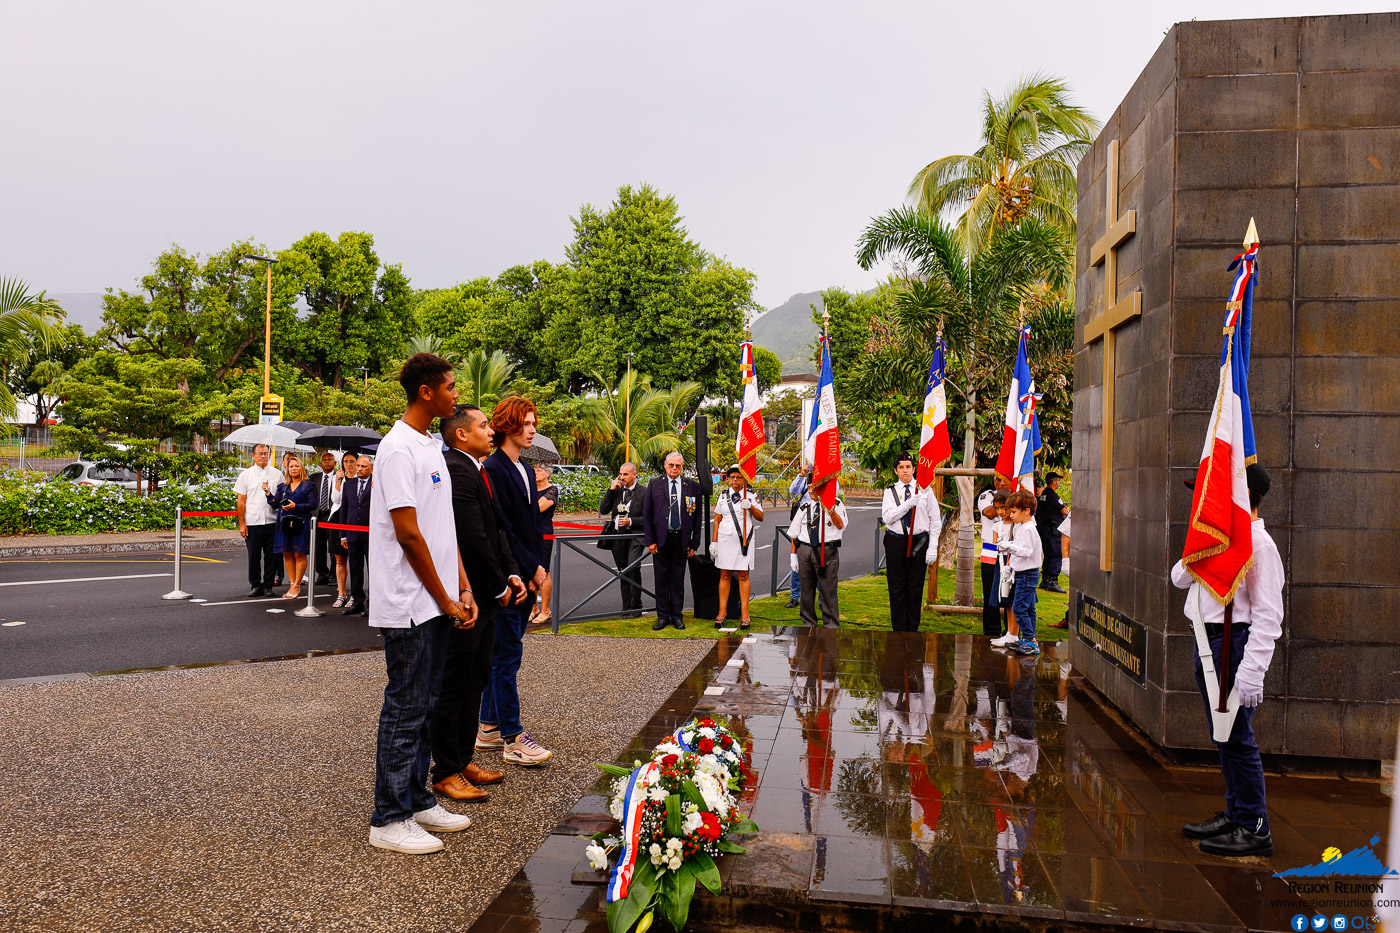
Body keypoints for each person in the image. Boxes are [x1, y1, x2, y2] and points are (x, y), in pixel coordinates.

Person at [367, 353, 477, 855]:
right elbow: (409, 535)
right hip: (408, 603)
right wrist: (444, 598)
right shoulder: (397, 450)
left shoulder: (429, 445)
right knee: (406, 707)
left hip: (435, 602)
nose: (457, 394)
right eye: (451, 386)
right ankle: (388, 818)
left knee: (427, 705)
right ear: (427, 392)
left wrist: (462, 590)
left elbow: (442, 530)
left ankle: (415, 800)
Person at [1174, 464, 1284, 858]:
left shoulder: (1259, 543)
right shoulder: (1218, 538)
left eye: (1210, 491)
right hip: (1207, 640)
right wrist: (1203, 547)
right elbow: (1178, 578)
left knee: (1237, 738)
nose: (1201, 500)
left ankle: (1255, 825)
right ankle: (1237, 813)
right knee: (1223, 736)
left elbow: (1268, 615)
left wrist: (1252, 671)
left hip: (1233, 644)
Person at [431, 404, 528, 805]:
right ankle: (445, 771)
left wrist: (511, 573)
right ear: (461, 435)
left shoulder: (477, 468)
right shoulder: (455, 468)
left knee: (475, 681)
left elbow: (498, 529)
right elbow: (471, 538)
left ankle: (462, 760)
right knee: (455, 684)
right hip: (467, 595)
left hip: (488, 593)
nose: (491, 432)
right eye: (484, 426)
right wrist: (495, 586)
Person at [479, 397, 554, 767]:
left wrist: (538, 566)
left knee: (504, 653)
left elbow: (532, 525)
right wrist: (529, 569)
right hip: (508, 576)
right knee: (506, 656)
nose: (532, 429)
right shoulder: (492, 468)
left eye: (533, 422)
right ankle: (512, 737)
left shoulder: (524, 469)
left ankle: (488, 725)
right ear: (507, 426)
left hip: (528, 570)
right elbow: (502, 529)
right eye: (526, 423)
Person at [640, 451, 703, 631]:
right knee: (661, 580)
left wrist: (694, 543)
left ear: (682, 467)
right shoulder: (654, 484)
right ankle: (662, 617)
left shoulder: (692, 486)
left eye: (678, 465)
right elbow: (647, 514)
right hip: (661, 540)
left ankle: (677, 616)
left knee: (678, 580)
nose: (674, 468)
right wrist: (650, 541)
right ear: (665, 465)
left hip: (681, 539)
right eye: (671, 465)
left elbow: (697, 517)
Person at [881, 452, 942, 633]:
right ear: (896, 470)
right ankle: (899, 630)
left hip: (919, 542)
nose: (905, 470)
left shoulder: (925, 490)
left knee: (915, 587)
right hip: (896, 542)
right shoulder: (890, 492)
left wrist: (933, 546)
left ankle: (912, 629)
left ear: (914, 469)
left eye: (908, 467)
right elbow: (888, 518)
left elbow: (935, 520)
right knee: (897, 587)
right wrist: (907, 505)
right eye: (901, 467)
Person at [789, 481, 848, 628]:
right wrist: (793, 556)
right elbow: (794, 533)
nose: (810, 491)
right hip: (805, 550)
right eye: (808, 488)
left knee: (828, 590)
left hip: (827, 551)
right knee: (806, 590)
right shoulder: (805, 506)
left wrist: (828, 508)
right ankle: (808, 623)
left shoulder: (836, 503)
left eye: (813, 488)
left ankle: (830, 625)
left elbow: (840, 525)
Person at [712, 465, 764, 630]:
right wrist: (714, 542)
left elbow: (761, 517)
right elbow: (718, 520)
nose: (735, 480)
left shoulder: (751, 496)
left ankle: (745, 613)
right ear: (728, 479)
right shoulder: (723, 496)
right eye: (732, 477)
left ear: (744, 479)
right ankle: (722, 612)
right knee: (725, 575)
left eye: (738, 477)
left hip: (743, 540)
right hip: (725, 540)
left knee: (743, 575)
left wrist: (751, 506)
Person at [997, 489, 1043, 656]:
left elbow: (1027, 551)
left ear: (1027, 511)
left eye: (1014, 512)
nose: (1012, 515)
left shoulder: (1028, 529)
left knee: (1019, 608)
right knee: (1029, 608)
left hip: (1027, 574)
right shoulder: (1023, 526)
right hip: (1023, 573)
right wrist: (1010, 568)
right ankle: (1028, 639)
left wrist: (1009, 546)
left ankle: (1030, 641)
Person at [234, 443, 283, 597]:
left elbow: (281, 497)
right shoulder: (245, 475)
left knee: (271, 556)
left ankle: (268, 585)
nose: (263, 456)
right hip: (253, 521)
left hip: (272, 520)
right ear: (253, 455)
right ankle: (255, 585)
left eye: (266, 453)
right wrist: (242, 523)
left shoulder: (277, 474)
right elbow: (241, 501)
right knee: (254, 555)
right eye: (260, 453)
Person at [264, 453, 314, 599]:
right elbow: (275, 503)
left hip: (301, 523)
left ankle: (297, 585)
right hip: (285, 524)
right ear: (287, 469)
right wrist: (268, 493)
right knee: (287, 554)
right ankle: (292, 584)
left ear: (301, 468)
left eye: (296, 466)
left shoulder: (308, 485)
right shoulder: (283, 487)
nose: (294, 468)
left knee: (299, 554)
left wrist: (295, 506)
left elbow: (312, 504)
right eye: (291, 466)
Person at [599, 462, 645, 616]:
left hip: (635, 536)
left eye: (626, 474)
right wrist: (611, 490)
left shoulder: (644, 492)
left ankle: (636, 606)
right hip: (618, 536)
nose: (622, 477)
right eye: (620, 474)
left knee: (633, 568)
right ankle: (626, 608)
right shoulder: (617, 490)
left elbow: (649, 518)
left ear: (634, 474)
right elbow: (603, 509)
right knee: (622, 571)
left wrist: (631, 521)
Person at [978, 475, 1012, 635]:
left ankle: (1011, 631)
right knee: (989, 589)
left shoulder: (1017, 494)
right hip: (990, 548)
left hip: (1010, 549)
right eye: (998, 479)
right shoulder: (987, 496)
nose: (1002, 483)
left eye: (1005, 479)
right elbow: (989, 513)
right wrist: (1004, 500)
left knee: (1011, 590)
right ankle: (991, 631)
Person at [341, 454, 373, 616]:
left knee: (373, 570)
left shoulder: (377, 484)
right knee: (355, 568)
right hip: (352, 533)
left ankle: (373, 604)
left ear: (372, 468)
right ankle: (358, 601)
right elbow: (344, 510)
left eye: (363, 467)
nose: (359, 469)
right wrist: (343, 535)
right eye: (358, 466)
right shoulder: (349, 485)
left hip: (372, 534)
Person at [529, 461, 559, 626]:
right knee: (530, 570)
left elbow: (538, 508)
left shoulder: (551, 490)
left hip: (543, 534)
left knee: (543, 571)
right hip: (529, 533)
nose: (536, 472)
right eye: (535, 469)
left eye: (539, 470)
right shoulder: (531, 489)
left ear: (548, 473)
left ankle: (546, 610)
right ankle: (533, 607)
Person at [329, 452, 355, 608]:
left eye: (352, 461)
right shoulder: (337, 477)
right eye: (346, 461)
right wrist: (338, 480)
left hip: (354, 519)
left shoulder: (360, 479)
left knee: (355, 559)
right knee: (340, 559)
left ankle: (355, 593)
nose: (349, 464)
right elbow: (336, 499)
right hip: (338, 517)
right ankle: (341, 593)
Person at [310, 451, 340, 587]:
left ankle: (334, 575)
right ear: (320, 463)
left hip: (333, 515)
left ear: (335, 463)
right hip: (318, 515)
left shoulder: (339, 477)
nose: (327, 461)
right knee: (318, 546)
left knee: (334, 546)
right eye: (324, 459)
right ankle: (322, 573)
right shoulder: (313, 478)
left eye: (330, 459)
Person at [1036, 472, 1068, 593]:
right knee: (1055, 553)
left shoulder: (1044, 494)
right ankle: (1052, 581)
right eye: (1059, 480)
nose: (1059, 483)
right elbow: (1064, 510)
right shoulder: (1053, 495)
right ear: (1053, 481)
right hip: (1053, 529)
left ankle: (1046, 580)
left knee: (1049, 554)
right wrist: (1065, 509)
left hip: (1045, 527)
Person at [784, 468, 810, 608]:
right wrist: (802, 474)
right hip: (803, 519)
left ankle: (821, 598)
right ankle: (795, 596)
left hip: (820, 521)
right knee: (797, 560)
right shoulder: (805, 480)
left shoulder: (829, 479)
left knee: (819, 562)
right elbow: (793, 490)